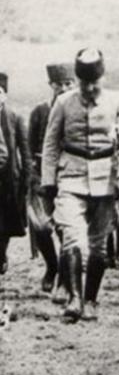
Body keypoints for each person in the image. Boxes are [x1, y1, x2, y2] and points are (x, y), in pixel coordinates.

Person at [40, 48, 119, 321]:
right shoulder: (63, 102)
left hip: (106, 179)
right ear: (78, 80)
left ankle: (91, 299)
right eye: (84, 83)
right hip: (71, 176)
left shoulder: (117, 101)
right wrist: (48, 181)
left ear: (103, 77)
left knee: (97, 246)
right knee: (72, 237)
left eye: (95, 82)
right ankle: (74, 299)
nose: (90, 88)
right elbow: (50, 144)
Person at [28, 63, 76, 301]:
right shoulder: (40, 111)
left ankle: (64, 281)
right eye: (60, 84)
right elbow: (29, 147)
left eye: (69, 84)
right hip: (41, 175)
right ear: (51, 86)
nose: (65, 88)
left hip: (68, 175)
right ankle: (52, 265)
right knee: (41, 226)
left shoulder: (78, 110)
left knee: (66, 228)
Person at [0, 73, 32, 277]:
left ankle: (1, 253)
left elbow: (25, 150)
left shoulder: (14, 117)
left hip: (8, 180)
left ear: (4, 96)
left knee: (4, 223)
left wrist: (26, 179)